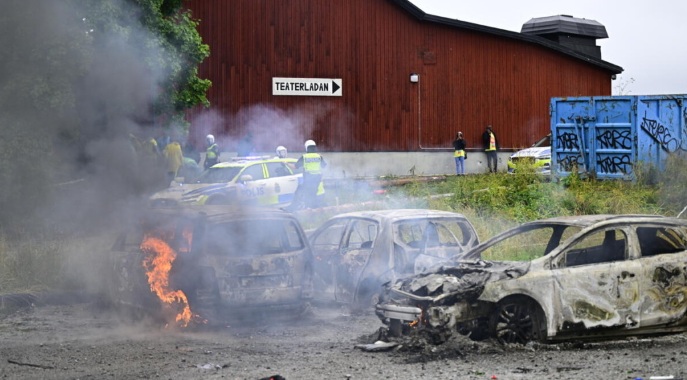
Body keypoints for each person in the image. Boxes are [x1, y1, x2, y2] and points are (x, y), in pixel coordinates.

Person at [284, 140, 327, 211]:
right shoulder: (319, 156)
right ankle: (314, 210)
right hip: (317, 180)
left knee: (307, 195)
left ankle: (309, 211)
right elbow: (324, 166)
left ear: (307, 147)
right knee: (314, 195)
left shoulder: (304, 157)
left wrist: (286, 163)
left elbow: (295, 167)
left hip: (308, 179)